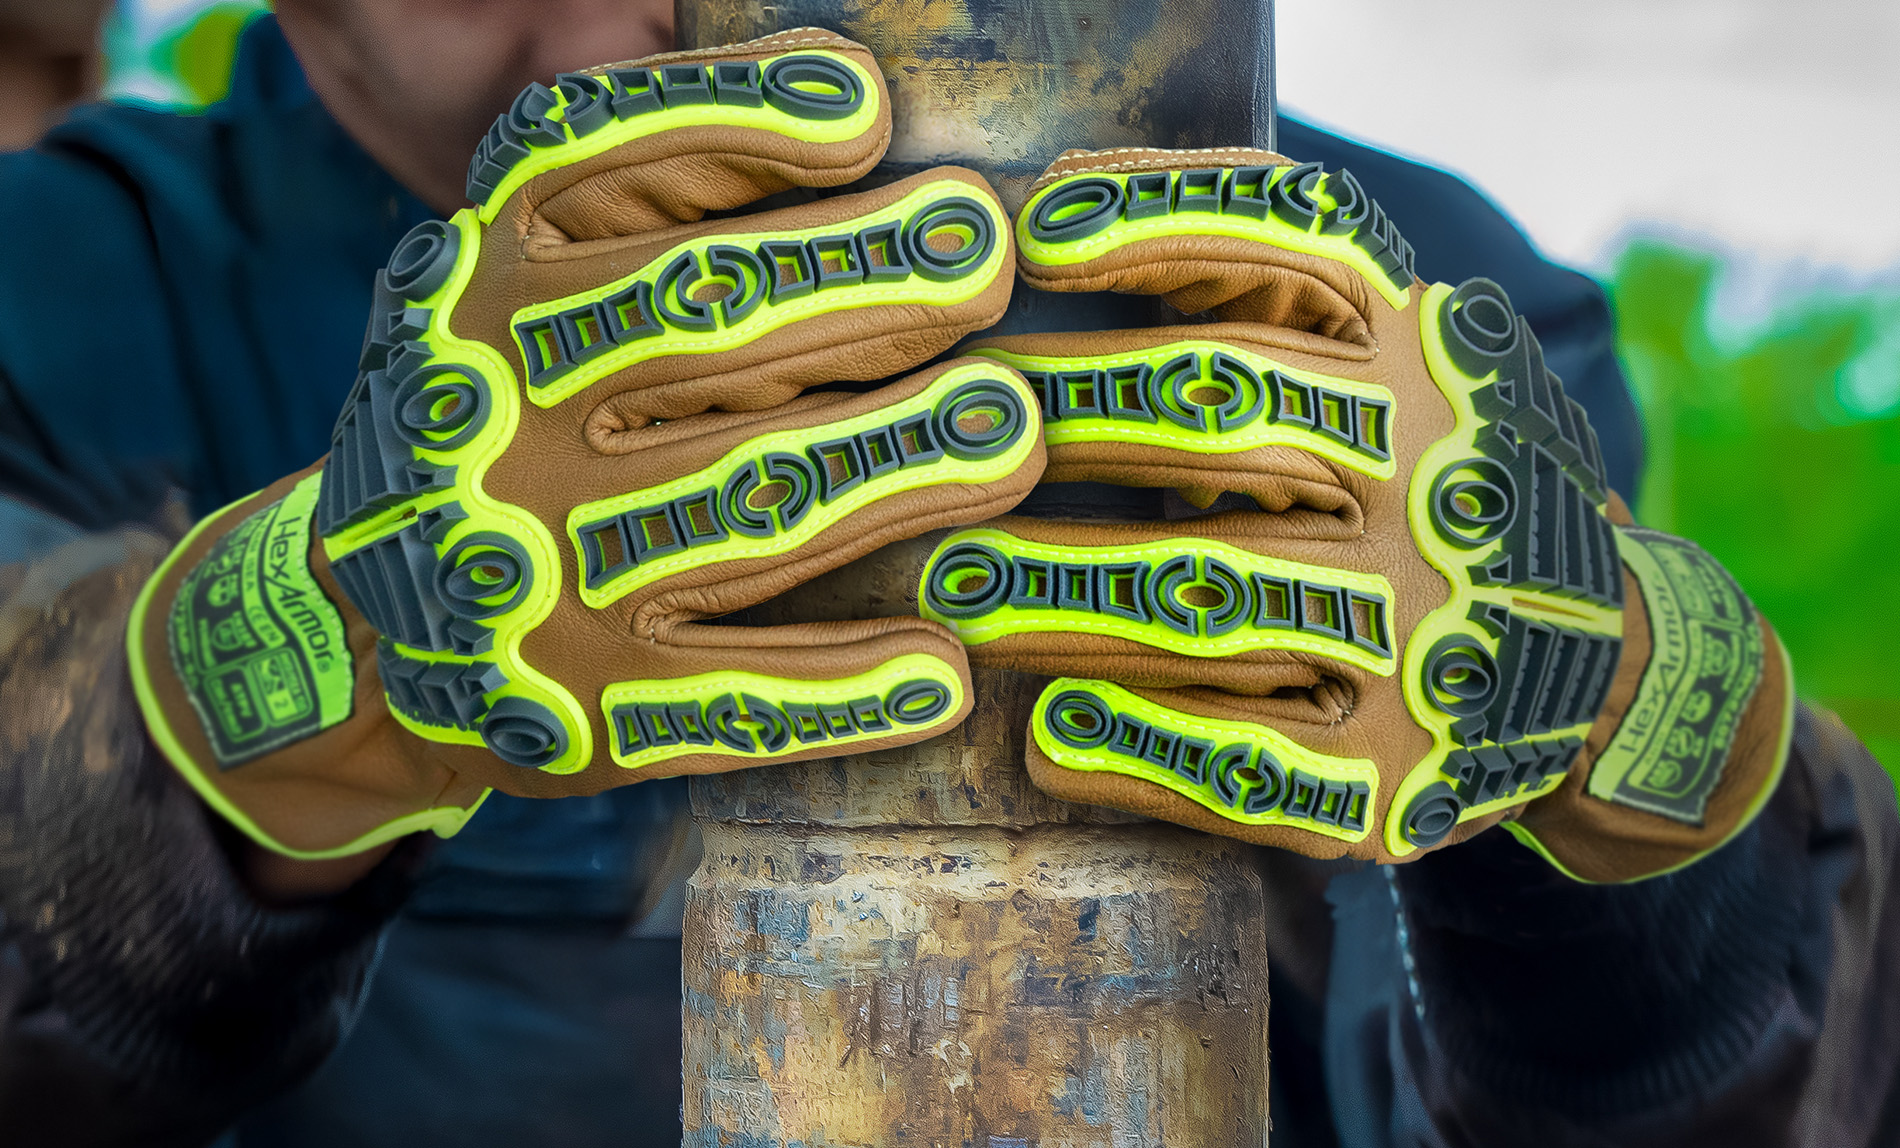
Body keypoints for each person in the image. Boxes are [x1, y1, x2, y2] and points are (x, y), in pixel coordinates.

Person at [0, 5, 1892, 1148]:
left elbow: (1730, 1098)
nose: (620, 35)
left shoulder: (1393, 293)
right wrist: (298, 648)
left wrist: (1646, 714)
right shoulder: (79, 280)